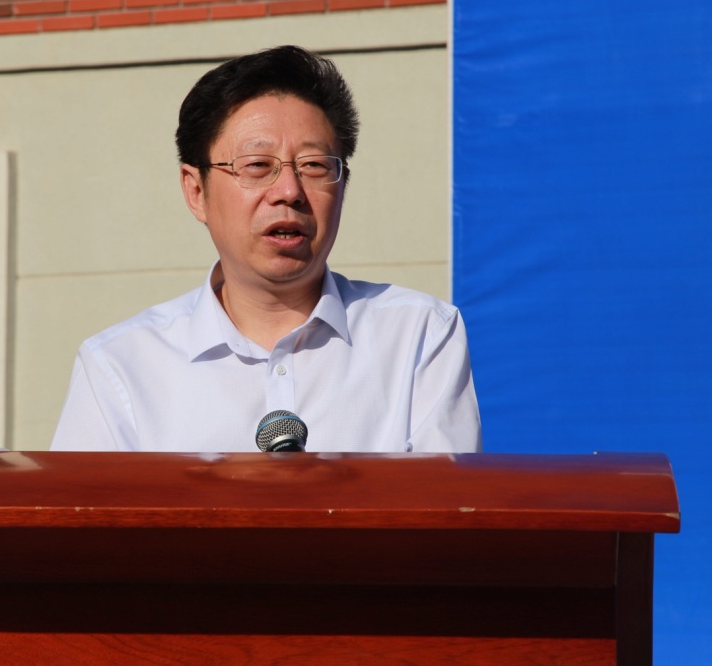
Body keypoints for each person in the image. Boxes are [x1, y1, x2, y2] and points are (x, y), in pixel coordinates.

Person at [51, 46, 480, 452]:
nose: (289, 191)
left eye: (314, 166)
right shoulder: (120, 367)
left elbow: (444, 504)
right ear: (196, 191)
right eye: (257, 166)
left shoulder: (418, 337)